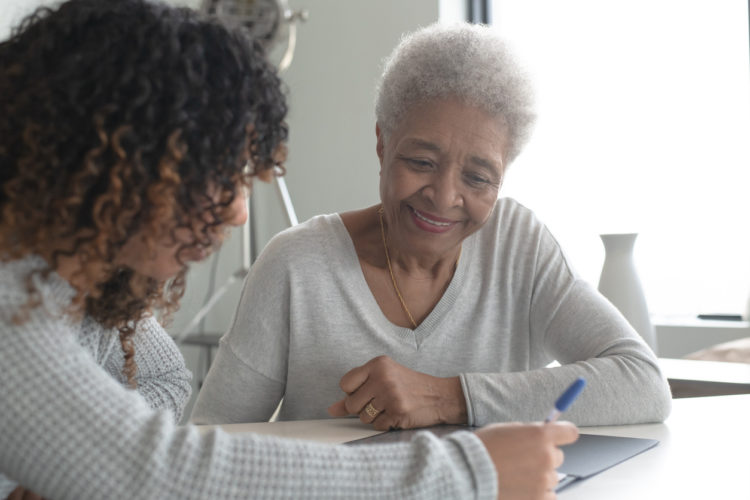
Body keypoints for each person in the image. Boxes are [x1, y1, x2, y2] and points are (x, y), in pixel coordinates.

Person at [0, 1, 579, 499]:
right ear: (117, 163)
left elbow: (167, 393)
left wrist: (83, 451)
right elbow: (169, 473)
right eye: (218, 176)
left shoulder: (71, 282)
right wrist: (465, 475)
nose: (237, 212)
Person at [191, 22, 672, 431]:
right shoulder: (296, 265)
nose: (444, 197)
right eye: (422, 161)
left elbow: (642, 383)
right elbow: (205, 445)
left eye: (478, 177)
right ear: (382, 143)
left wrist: (449, 398)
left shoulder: (519, 246)